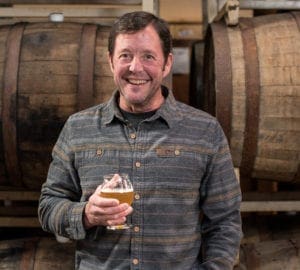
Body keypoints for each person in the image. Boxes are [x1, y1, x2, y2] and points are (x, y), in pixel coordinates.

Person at [38, 11, 242, 270]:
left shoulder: (205, 131)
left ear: (167, 63)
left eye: (148, 56)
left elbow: (225, 222)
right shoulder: (78, 127)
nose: (136, 67)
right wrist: (86, 214)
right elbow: (48, 207)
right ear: (111, 61)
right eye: (125, 55)